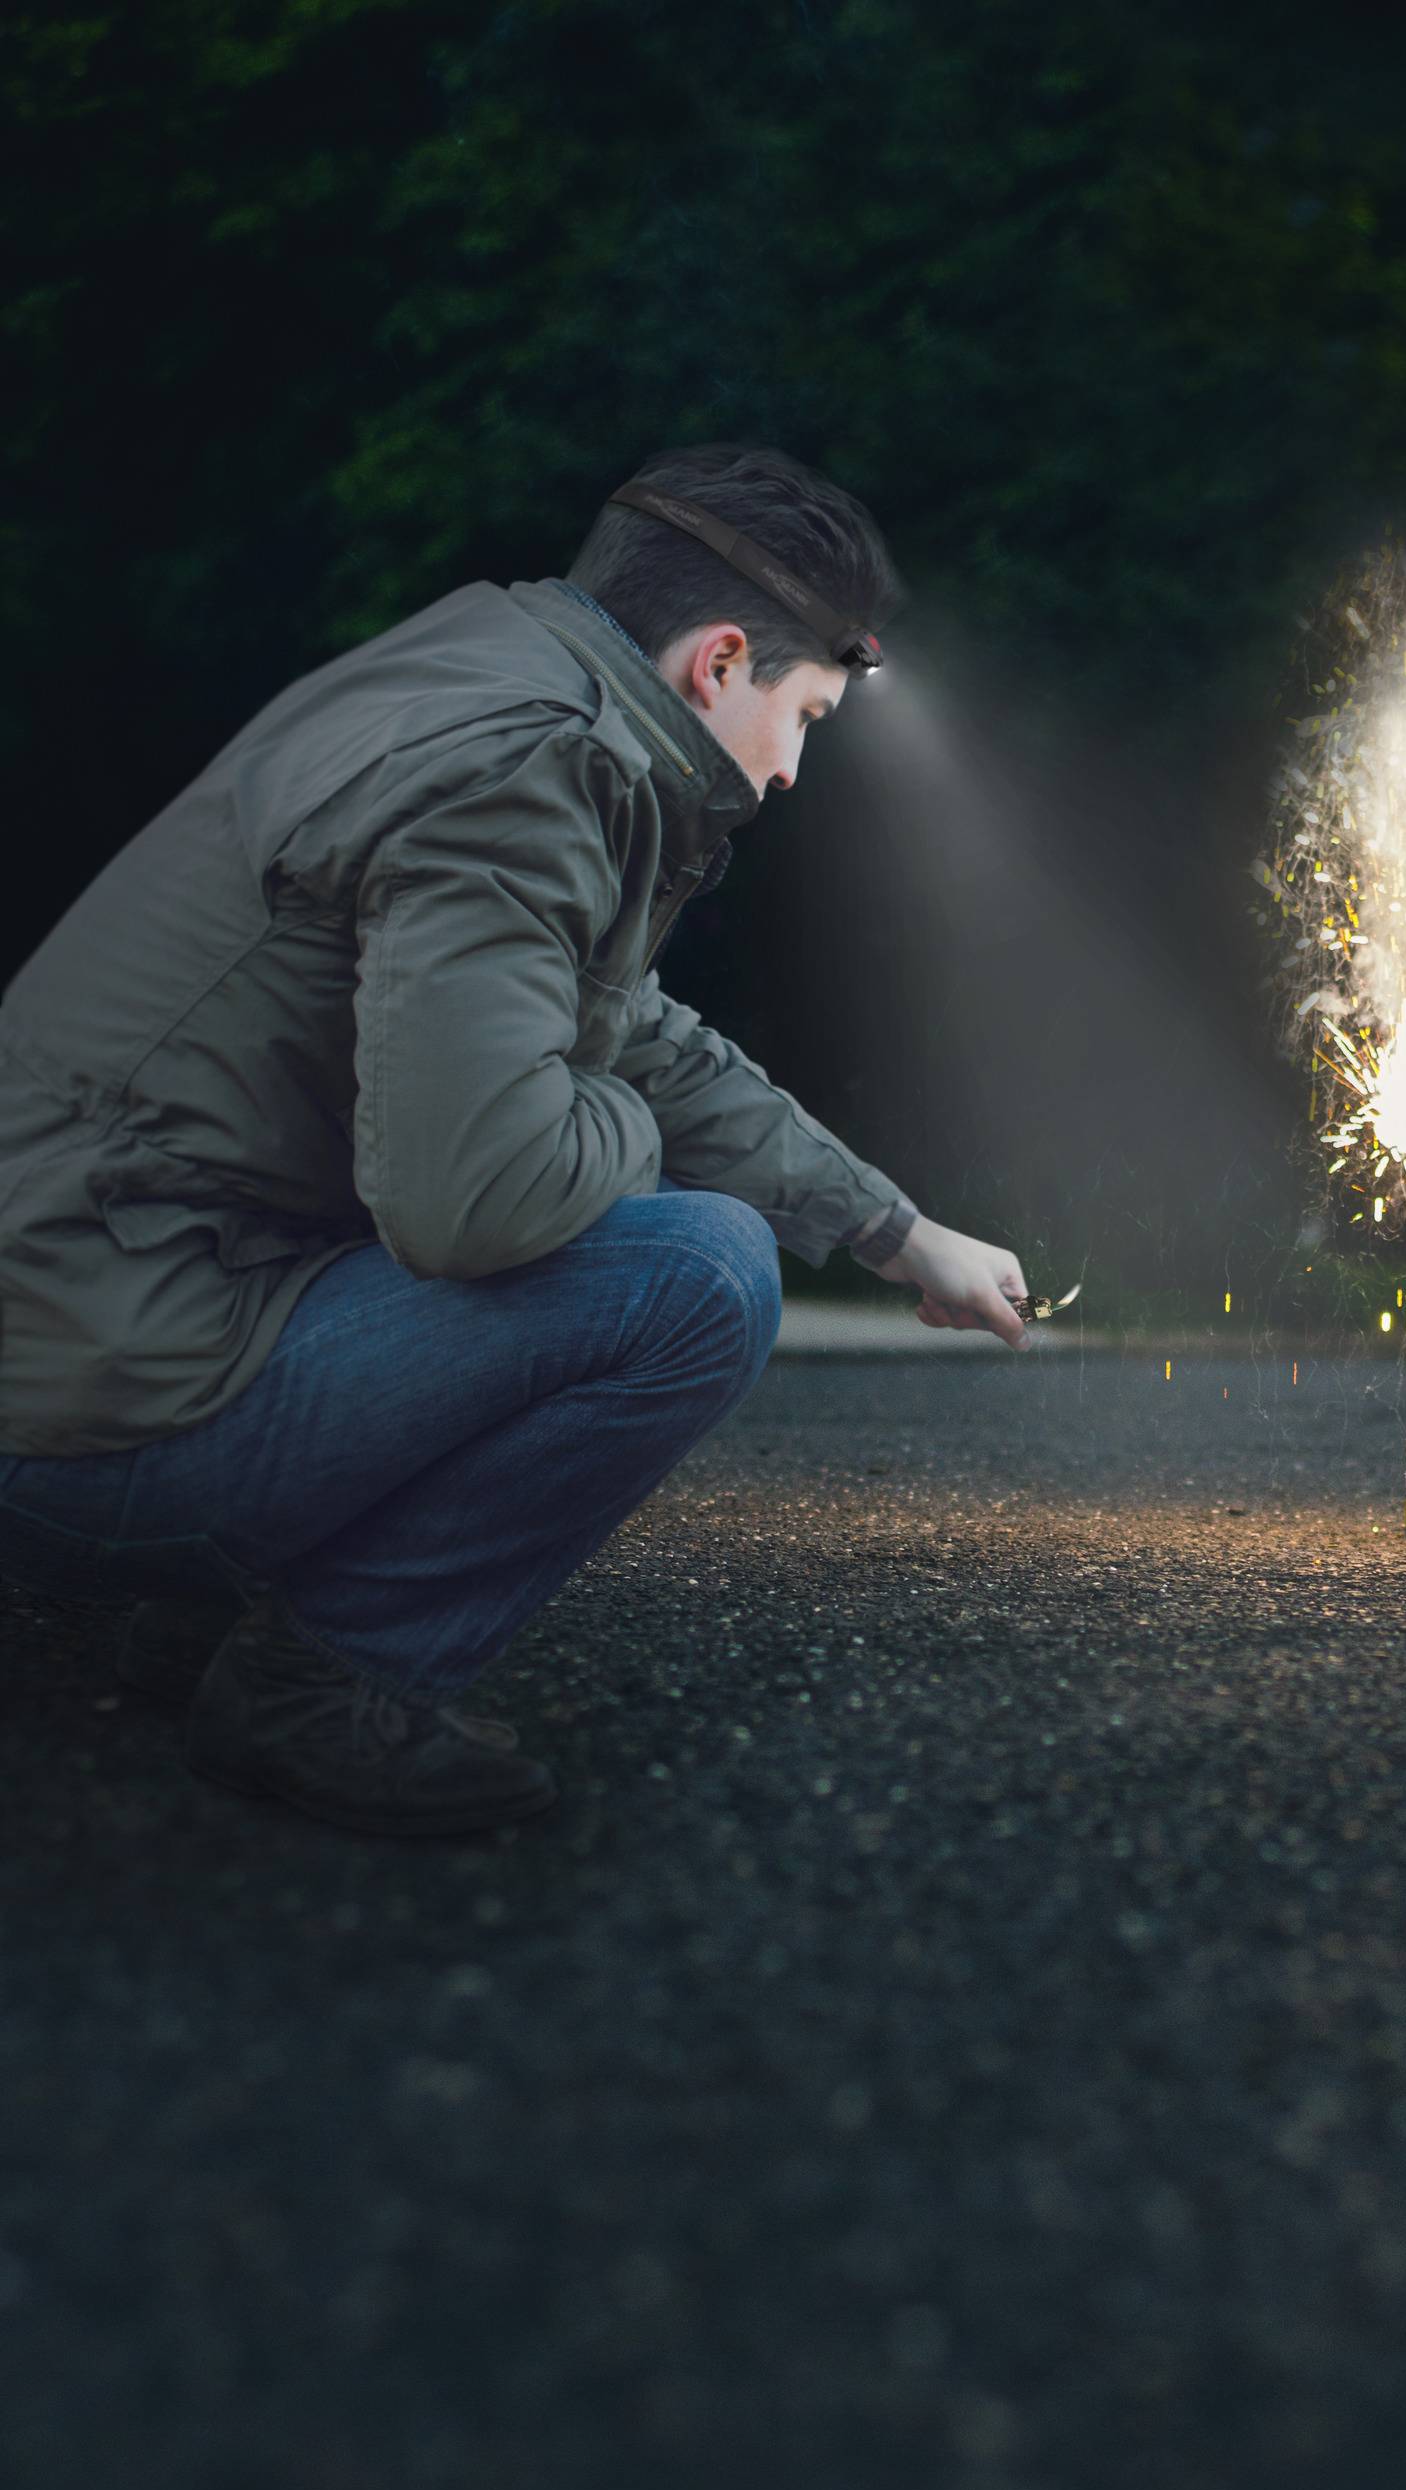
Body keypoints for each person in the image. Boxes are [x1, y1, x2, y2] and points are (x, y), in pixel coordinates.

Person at [0, 443, 1032, 1838]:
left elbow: (629, 1026)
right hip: (86, 1405)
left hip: (91, 1317)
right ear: (719, 662)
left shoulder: (484, 673)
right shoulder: (529, 767)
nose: (792, 772)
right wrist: (587, 1100)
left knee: (578, 1169)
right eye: (809, 715)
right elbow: (471, 1199)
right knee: (697, 1275)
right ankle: (320, 1681)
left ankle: (209, 1600)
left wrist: (893, 1231)